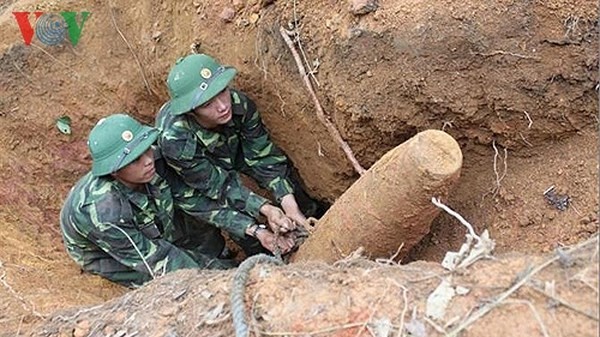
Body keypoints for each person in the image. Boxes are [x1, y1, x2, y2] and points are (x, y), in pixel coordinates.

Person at [156, 53, 323, 256]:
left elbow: (262, 156)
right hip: (195, 179)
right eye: (207, 104)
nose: (222, 105)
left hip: (231, 148)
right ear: (191, 111)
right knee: (239, 221)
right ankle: (263, 253)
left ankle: (307, 219)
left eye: (222, 91)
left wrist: (290, 206)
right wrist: (265, 210)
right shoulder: (175, 140)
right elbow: (218, 188)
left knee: (288, 184)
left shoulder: (238, 104)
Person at [59, 113, 236, 288]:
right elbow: (154, 258)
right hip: (107, 252)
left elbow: (192, 199)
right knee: (173, 282)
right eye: (135, 159)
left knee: (193, 225)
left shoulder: (150, 164)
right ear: (114, 171)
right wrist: (214, 282)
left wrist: (249, 228)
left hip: (143, 218)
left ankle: (218, 259)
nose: (148, 161)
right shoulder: (104, 212)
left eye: (146, 149)